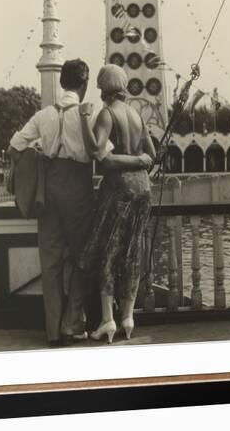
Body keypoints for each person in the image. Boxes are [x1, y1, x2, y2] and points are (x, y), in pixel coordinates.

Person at [9, 59, 152, 347]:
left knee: (50, 262)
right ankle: (72, 325)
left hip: (48, 191)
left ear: (61, 82)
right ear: (85, 85)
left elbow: (14, 146)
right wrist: (140, 161)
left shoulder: (43, 115)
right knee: (81, 259)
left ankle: (52, 331)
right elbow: (103, 154)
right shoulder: (88, 114)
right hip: (78, 190)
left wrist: (39, 161)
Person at [78, 64, 157, 344]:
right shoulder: (136, 114)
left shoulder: (107, 114)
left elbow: (101, 155)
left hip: (118, 190)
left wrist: (85, 121)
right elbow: (152, 155)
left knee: (107, 252)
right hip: (142, 190)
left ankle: (107, 320)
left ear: (102, 89)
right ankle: (128, 317)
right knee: (132, 251)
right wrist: (140, 162)